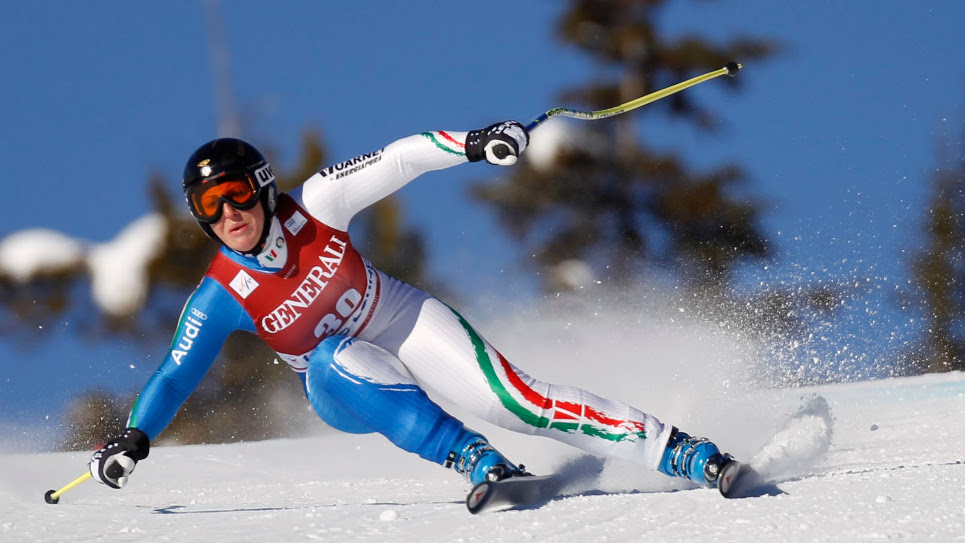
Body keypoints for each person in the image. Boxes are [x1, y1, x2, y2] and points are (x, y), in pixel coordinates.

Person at [90, 121, 734, 493]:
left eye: (234, 194)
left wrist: (475, 143)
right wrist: (136, 437)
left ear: (261, 188)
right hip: (342, 386)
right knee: (332, 359)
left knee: (518, 401)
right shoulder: (221, 294)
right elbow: (176, 372)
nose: (227, 214)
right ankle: (470, 457)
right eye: (209, 207)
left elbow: (399, 159)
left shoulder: (315, 205)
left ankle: (681, 452)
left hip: (398, 316)